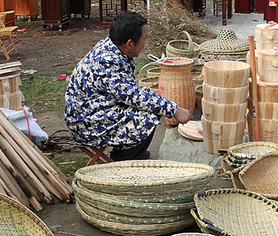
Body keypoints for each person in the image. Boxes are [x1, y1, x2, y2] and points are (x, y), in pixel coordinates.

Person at [64, 11, 190, 161]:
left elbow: (131, 92)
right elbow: (135, 96)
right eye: (144, 39)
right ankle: (124, 160)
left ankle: (129, 152)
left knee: (151, 103)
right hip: (85, 122)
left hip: (96, 109)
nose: (145, 43)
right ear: (130, 43)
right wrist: (174, 109)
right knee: (149, 115)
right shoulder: (107, 62)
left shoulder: (114, 48)